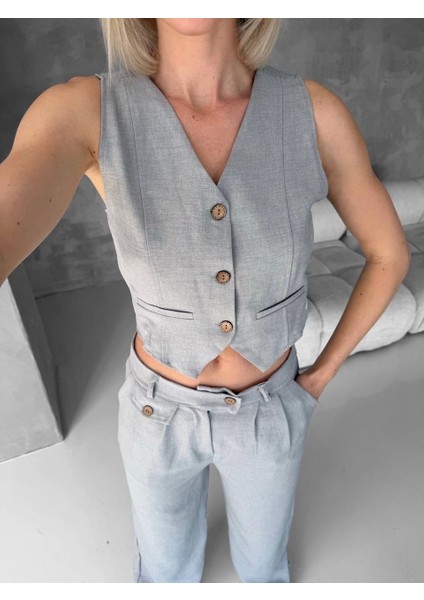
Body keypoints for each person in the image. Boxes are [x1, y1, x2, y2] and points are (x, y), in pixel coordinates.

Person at [0, 18, 410, 583]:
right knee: (165, 574)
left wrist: (317, 379)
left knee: (264, 571)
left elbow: (389, 254)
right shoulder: (83, 112)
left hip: (271, 410)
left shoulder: (314, 113)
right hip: (156, 416)